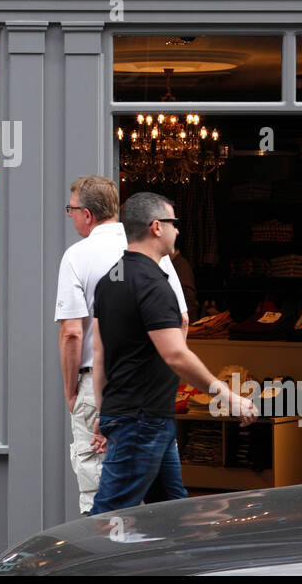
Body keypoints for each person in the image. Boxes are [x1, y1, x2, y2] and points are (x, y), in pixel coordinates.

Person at [89, 192, 258, 516]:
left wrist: (103, 413)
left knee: (171, 514)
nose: (178, 230)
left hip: (140, 415)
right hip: (142, 419)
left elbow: (101, 354)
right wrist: (229, 397)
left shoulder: (110, 279)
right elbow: (176, 356)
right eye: (174, 223)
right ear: (156, 227)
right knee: (107, 518)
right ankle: (74, 567)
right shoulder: (153, 283)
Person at [54, 175, 192, 514]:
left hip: (98, 384)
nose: (70, 216)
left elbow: (73, 333)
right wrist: (163, 372)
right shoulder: (148, 248)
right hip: (150, 392)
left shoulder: (77, 256)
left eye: (70, 210)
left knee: (100, 496)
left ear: (87, 214)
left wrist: (71, 391)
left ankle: (96, 562)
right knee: (163, 501)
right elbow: (182, 320)